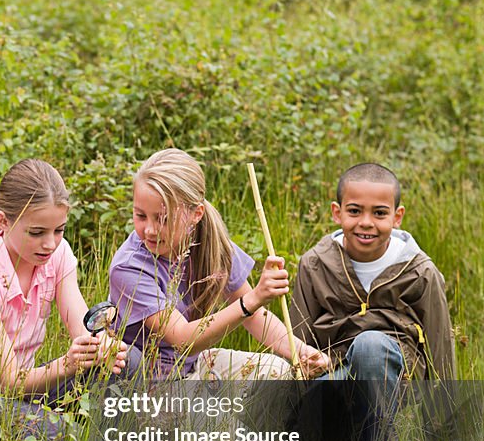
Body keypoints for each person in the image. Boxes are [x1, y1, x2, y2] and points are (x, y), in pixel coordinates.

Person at [289, 163, 455, 441]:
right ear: (337, 213)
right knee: (314, 397)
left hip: (398, 377)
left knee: (369, 347)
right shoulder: (315, 264)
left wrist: (443, 432)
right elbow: (296, 339)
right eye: (354, 211)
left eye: (379, 213)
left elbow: (441, 348)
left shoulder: (419, 271)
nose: (366, 223)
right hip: (334, 373)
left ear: (397, 216)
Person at [0, 158, 130, 441]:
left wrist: (101, 346)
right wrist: (68, 363)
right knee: (69, 437)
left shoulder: (56, 254)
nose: (50, 243)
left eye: (59, 230)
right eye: (37, 232)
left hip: (29, 387)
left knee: (130, 364)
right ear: (3, 222)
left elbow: (81, 324)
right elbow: (10, 383)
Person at [109, 148, 329, 382]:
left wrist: (301, 352)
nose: (150, 230)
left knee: (278, 371)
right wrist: (253, 299)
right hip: (153, 383)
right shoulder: (129, 267)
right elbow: (184, 340)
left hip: (195, 366)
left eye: (164, 219)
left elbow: (255, 317)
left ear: (196, 214)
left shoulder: (210, 243)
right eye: (140, 216)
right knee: (229, 418)